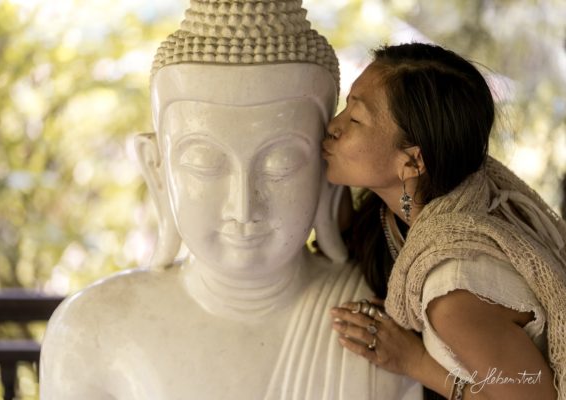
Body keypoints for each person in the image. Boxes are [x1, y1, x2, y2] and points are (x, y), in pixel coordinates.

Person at [39, 2, 421, 399]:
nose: (243, 208)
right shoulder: (90, 331)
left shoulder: (388, 325)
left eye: (280, 164)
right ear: (157, 169)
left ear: (328, 167)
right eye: (205, 163)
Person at [323, 42, 566, 400]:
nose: (333, 126)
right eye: (345, 107)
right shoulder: (417, 206)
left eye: (355, 119)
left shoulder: (455, 295)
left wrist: (416, 362)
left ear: (412, 162)